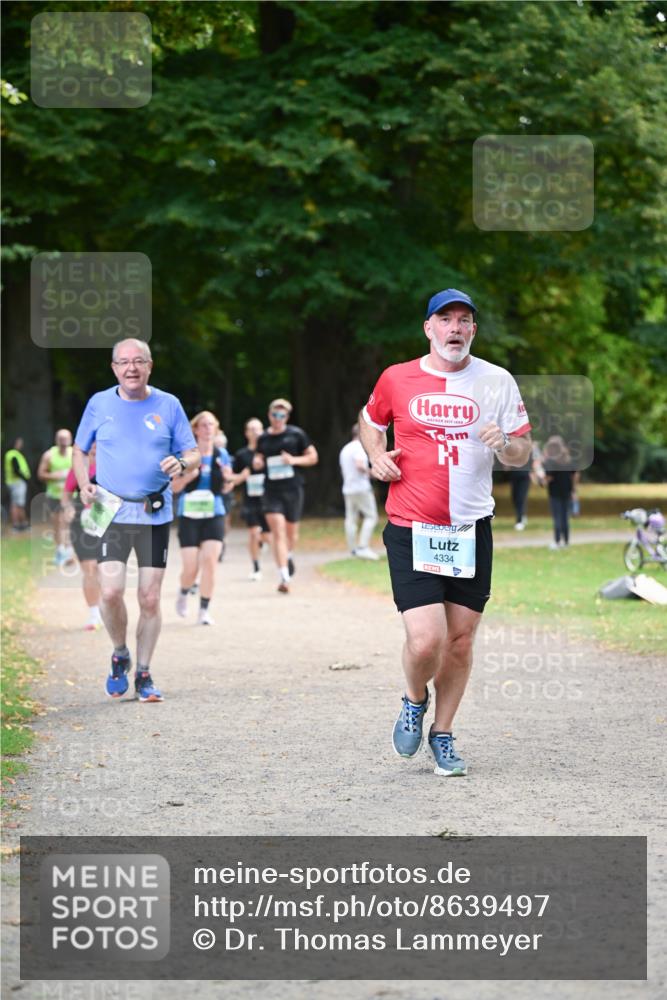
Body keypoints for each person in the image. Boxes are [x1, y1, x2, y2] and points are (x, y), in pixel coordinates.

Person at [360, 288, 532, 777]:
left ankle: (443, 733)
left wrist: (507, 446)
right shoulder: (398, 378)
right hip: (412, 526)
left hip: (470, 528)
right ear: (428, 329)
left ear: (473, 330)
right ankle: (414, 700)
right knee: (425, 641)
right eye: (445, 319)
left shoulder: (496, 381)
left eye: (464, 320)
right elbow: (370, 422)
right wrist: (376, 455)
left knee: (459, 641)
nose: (455, 328)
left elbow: (523, 451)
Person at [72, 338, 199, 702]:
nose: (131, 368)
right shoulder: (99, 403)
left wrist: (183, 462)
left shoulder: (168, 404)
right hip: (107, 507)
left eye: (138, 361)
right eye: (124, 362)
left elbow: (193, 454)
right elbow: (79, 451)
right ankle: (119, 653)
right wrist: (84, 484)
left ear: (149, 366)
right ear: (114, 368)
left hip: (153, 508)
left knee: (149, 596)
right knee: (109, 591)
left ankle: (143, 673)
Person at [253, 399, 318, 594]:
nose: (278, 419)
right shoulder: (263, 438)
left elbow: (313, 457)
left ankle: (288, 555)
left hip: (293, 489)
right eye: (275, 415)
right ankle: (284, 577)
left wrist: (293, 460)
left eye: (282, 415)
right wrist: (257, 461)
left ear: (287, 417)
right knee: (278, 531)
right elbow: (259, 457)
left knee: (291, 534)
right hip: (271, 491)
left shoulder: (296, 434)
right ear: (269, 415)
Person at [173, 411, 232, 625]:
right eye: (204, 425)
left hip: (214, 512)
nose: (208, 429)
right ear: (195, 429)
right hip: (189, 514)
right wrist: (189, 475)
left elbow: (227, 486)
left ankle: (204, 610)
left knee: (210, 562)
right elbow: (174, 487)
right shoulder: (185, 456)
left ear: (216, 429)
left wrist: (228, 480)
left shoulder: (221, 455)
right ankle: (183, 592)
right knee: (191, 567)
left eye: (211, 425)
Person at [62, 443, 102, 630]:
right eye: (91, 442)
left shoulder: (111, 466)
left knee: (105, 570)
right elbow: (66, 494)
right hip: (81, 522)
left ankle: (104, 606)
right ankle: (94, 614)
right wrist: (68, 507)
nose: (95, 446)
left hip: (106, 522)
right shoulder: (79, 469)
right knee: (90, 568)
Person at [232, 417, 271, 580]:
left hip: (269, 499)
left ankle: (263, 542)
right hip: (251, 500)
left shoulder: (269, 451)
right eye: (252, 429)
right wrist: (243, 475)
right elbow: (232, 478)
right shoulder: (241, 455)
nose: (256, 432)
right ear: (246, 433)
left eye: (258, 429)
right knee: (253, 533)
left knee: (267, 536)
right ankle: (256, 567)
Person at [339, 423, 379, 559]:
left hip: (348, 488)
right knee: (371, 516)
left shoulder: (345, 448)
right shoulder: (359, 447)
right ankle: (363, 547)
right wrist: (373, 472)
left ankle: (352, 549)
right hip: (361, 488)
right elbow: (360, 465)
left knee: (350, 519)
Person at [37, 428, 73, 565]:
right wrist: (56, 476)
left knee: (68, 523)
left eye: (66, 438)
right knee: (58, 524)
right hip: (54, 495)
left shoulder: (74, 454)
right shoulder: (49, 455)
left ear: (70, 439)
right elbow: (40, 474)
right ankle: (60, 550)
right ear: (57, 440)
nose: (64, 441)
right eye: (61, 438)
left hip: (70, 495)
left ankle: (68, 551)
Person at [542, 435, 578, 550]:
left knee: (557, 517)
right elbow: (574, 476)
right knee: (565, 518)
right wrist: (573, 490)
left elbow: (548, 478)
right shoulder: (568, 459)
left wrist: (541, 480)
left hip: (555, 493)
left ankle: (557, 542)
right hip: (567, 492)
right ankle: (566, 542)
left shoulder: (552, 461)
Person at [4, 437, 30, 531]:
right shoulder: (13, 454)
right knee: (18, 504)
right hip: (17, 482)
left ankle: (19, 524)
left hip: (13, 482)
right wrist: (25, 478)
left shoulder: (11, 454)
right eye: (19, 443)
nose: (21, 445)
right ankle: (19, 524)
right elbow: (16, 469)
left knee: (15, 503)